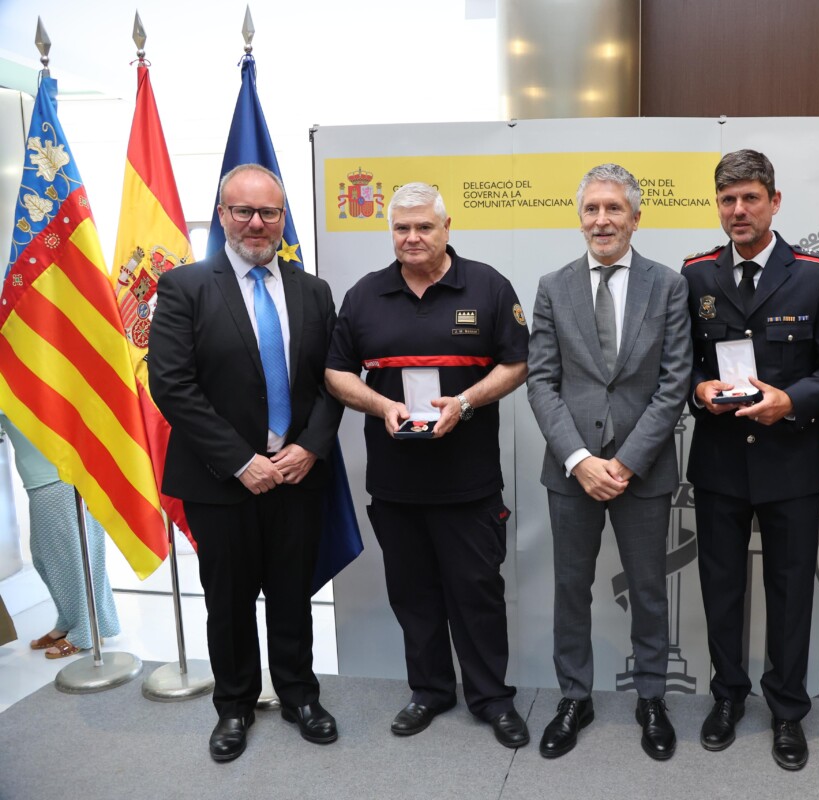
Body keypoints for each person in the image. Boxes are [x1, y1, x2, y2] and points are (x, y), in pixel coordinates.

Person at [324, 182, 531, 749]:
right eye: (401, 228)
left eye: (424, 227)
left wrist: (465, 403)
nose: (412, 238)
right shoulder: (365, 296)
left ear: (446, 229)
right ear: (391, 232)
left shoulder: (487, 287)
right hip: (395, 486)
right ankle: (431, 691)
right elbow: (337, 373)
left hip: (469, 486)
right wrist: (380, 403)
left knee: (478, 595)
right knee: (413, 596)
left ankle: (492, 698)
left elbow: (518, 363)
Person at [149, 164, 344, 762]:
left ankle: (299, 696)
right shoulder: (184, 286)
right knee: (227, 600)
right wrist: (241, 461)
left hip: (296, 473)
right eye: (244, 212)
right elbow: (172, 385)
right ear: (224, 214)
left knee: (293, 592)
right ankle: (234, 706)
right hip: (220, 479)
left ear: (283, 219)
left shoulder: (312, 291)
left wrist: (309, 447)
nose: (257, 224)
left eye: (270, 213)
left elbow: (330, 382)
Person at [683, 149, 819, 771]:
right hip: (721, 463)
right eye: (728, 200)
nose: (738, 211)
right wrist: (697, 390)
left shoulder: (815, 274)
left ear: (774, 202)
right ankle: (727, 696)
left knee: (789, 594)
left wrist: (791, 401)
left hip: (789, 461)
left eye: (750, 198)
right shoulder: (696, 274)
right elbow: (683, 366)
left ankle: (787, 709)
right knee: (720, 589)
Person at [526, 163, 691, 761]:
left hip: (642, 471)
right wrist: (579, 459)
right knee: (571, 589)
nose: (602, 220)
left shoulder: (667, 285)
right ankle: (575, 695)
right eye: (592, 209)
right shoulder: (553, 285)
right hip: (571, 472)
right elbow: (542, 383)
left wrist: (624, 462)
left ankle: (652, 697)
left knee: (649, 590)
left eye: (613, 209)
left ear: (635, 217)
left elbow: (675, 384)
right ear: (579, 218)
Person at [0, 413, 120, 659]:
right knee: (47, 558)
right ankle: (70, 621)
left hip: (58, 478)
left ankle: (85, 632)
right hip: (45, 480)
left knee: (69, 560)